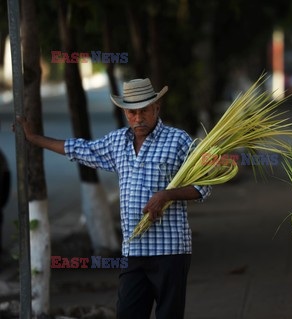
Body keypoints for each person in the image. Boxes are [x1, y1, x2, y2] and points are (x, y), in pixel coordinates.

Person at [17, 78, 211, 319]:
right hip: (134, 252)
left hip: (170, 252)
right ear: (125, 112)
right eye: (132, 112)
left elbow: (203, 186)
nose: (138, 118)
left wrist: (166, 195)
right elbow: (79, 149)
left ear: (156, 108)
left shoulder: (179, 141)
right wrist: (34, 139)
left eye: (144, 111)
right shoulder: (117, 142)